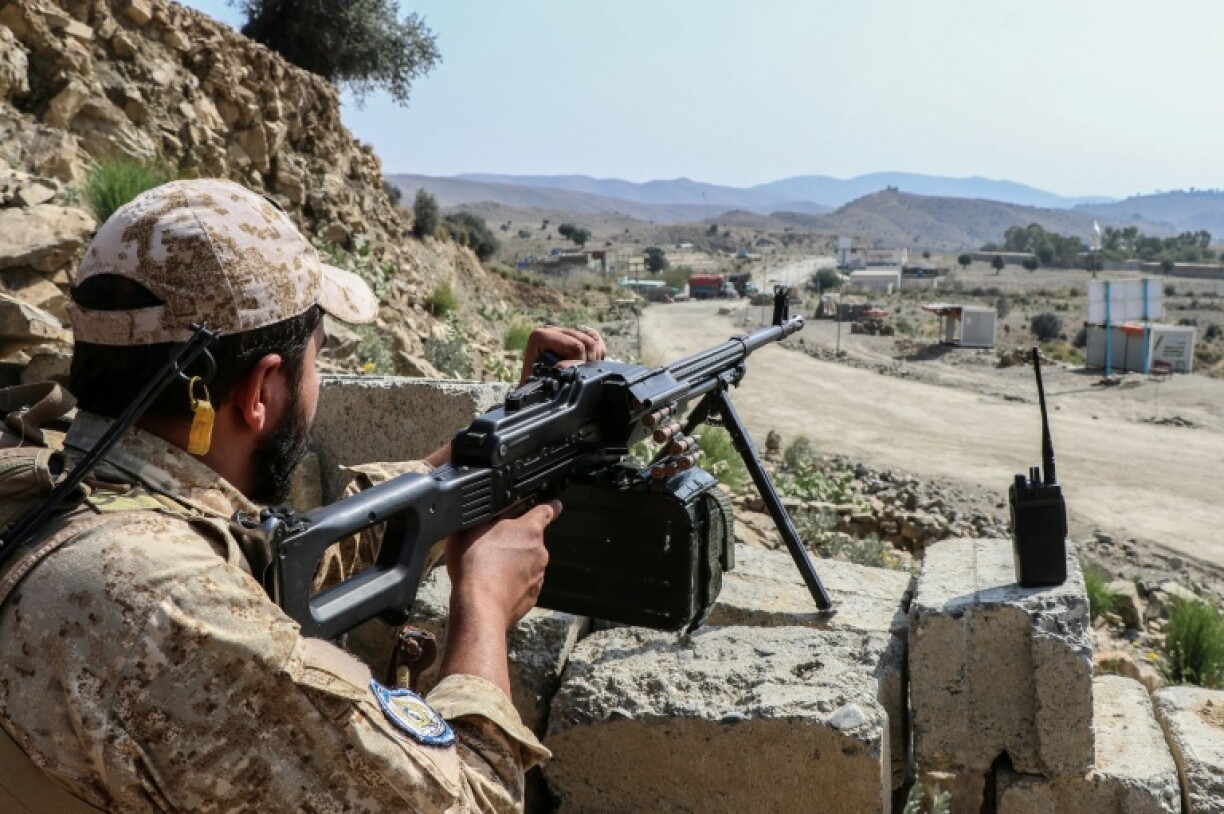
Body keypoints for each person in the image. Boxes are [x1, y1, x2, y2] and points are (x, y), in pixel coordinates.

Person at [0, 178, 606, 813]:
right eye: (316, 358)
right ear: (261, 390)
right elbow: (471, 802)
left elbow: (278, 554)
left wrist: (495, 440)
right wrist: (483, 602)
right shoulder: (173, 614)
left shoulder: (58, 478)